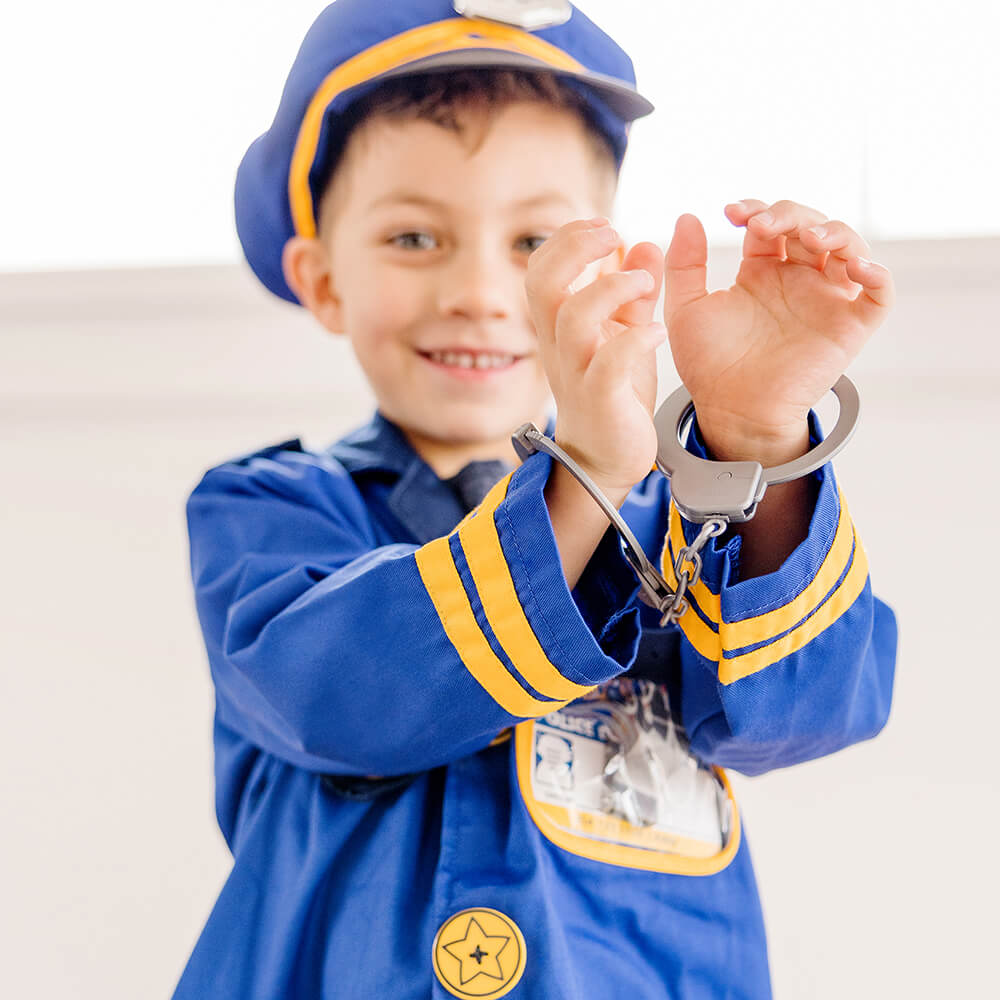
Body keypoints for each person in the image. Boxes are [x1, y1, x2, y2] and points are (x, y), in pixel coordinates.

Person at [172, 1, 897, 997]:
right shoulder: (266, 510)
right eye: (415, 236)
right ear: (323, 278)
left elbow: (813, 706)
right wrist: (587, 467)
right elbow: (339, 694)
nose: (476, 288)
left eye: (531, 242)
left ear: (606, 271)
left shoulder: (678, 529)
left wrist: (759, 432)